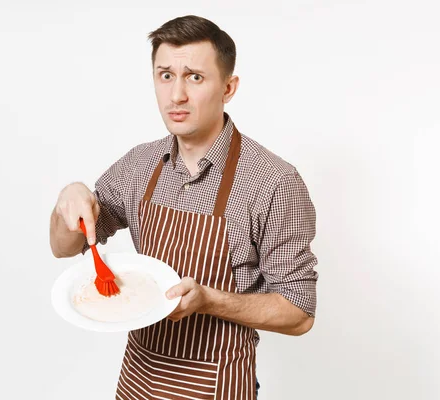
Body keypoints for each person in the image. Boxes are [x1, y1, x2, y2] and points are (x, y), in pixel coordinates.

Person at [50, 15, 318, 400]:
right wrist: (67, 200)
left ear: (228, 87)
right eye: (165, 76)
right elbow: (64, 247)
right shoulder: (138, 165)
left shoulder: (273, 181)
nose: (176, 95)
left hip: (219, 385)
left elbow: (299, 313)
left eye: (194, 76)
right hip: (138, 383)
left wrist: (211, 300)